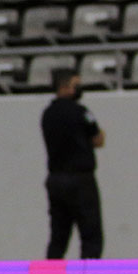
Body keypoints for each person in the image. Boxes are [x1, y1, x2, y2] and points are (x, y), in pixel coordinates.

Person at [41, 69, 105, 259]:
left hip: (56, 179)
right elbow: (98, 139)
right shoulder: (81, 112)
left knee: (58, 237)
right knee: (91, 236)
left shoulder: (48, 114)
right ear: (65, 86)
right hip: (80, 180)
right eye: (76, 85)